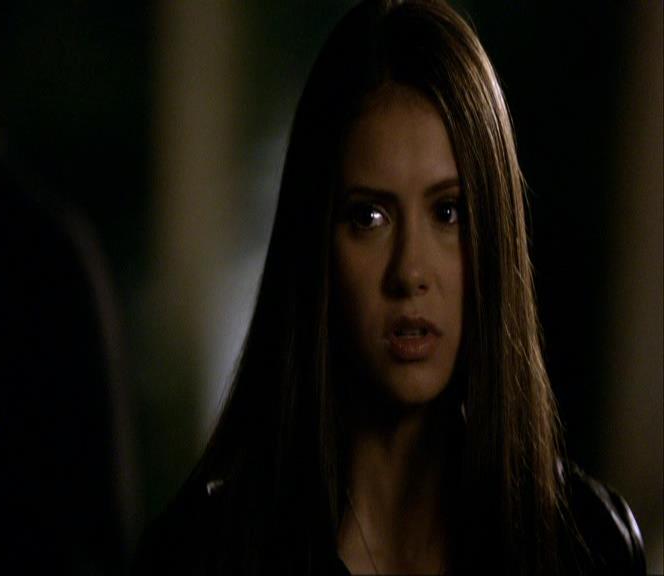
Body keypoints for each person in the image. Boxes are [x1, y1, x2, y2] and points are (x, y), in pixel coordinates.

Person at [133, 1, 646, 574]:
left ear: (495, 237)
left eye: (448, 212)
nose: (409, 272)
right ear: (316, 244)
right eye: (369, 217)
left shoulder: (586, 547)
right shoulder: (206, 555)